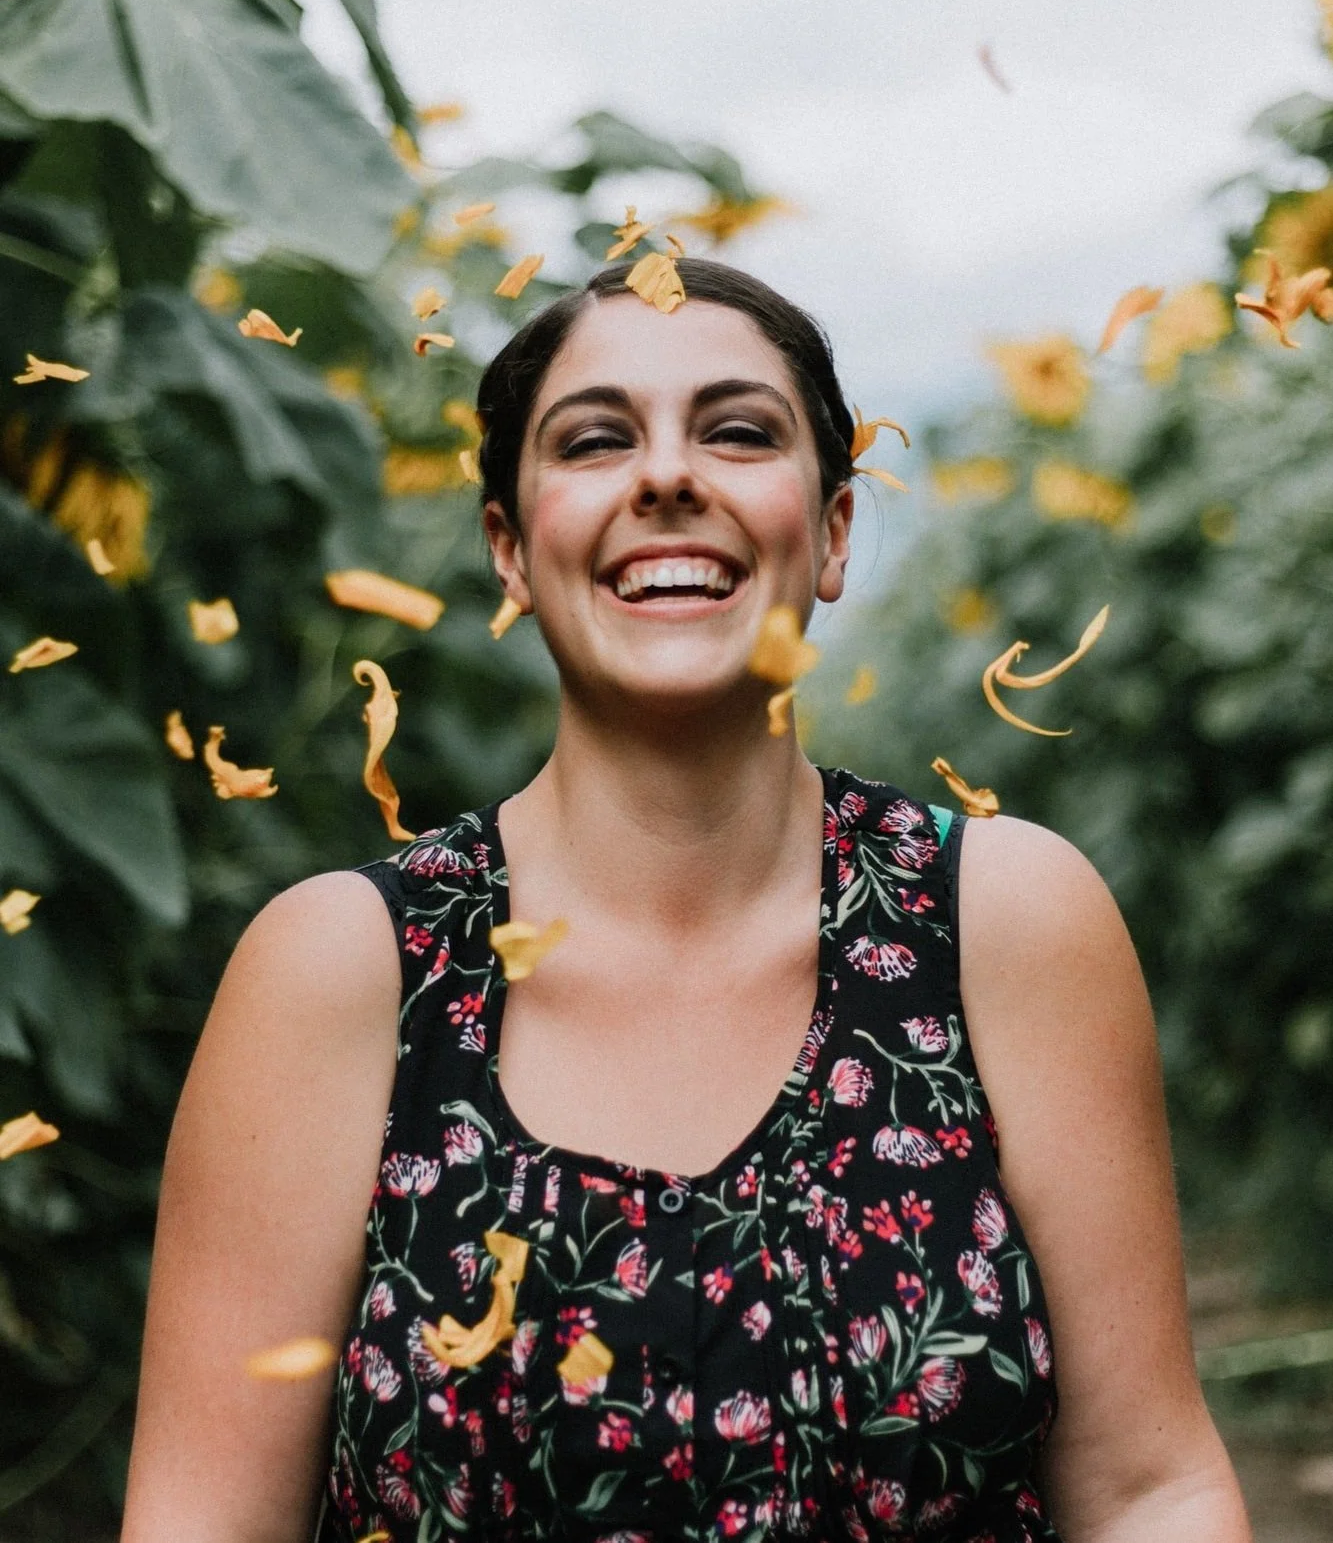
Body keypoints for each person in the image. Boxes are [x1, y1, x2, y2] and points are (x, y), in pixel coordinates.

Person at [121, 259, 1251, 1543]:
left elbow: (1150, 1488)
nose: (668, 476)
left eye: (736, 431)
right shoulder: (345, 969)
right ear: (509, 547)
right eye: (597, 440)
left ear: (828, 534)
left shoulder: (1002, 920)